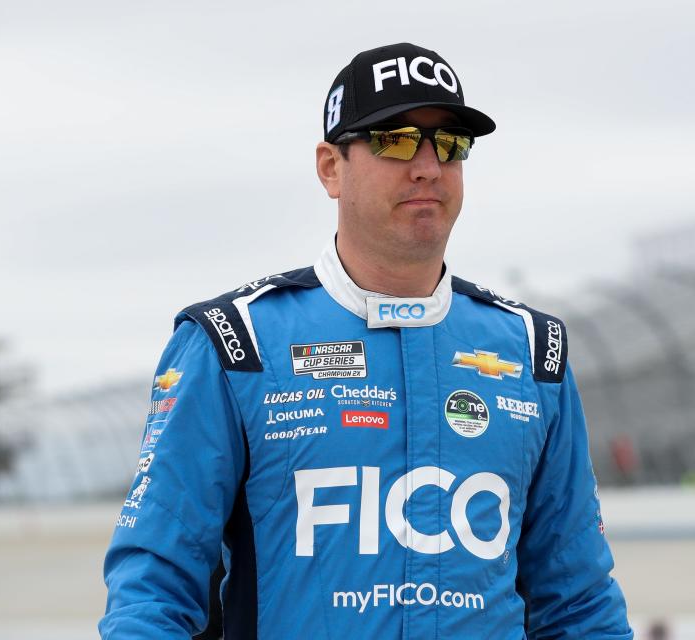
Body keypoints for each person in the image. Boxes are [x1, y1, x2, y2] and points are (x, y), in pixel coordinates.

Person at [99, 42, 633, 639]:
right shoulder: (235, 344)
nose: (427, 165)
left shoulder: (534, 352)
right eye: (395, 140)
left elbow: (581, 603)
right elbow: (153, 590)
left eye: (450, 145)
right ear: (331, 167)